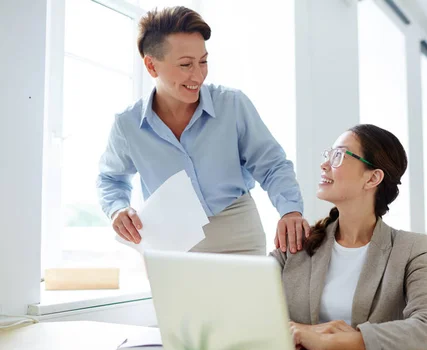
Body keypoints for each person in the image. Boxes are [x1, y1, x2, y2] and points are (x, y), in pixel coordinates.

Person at [97, 6, 309, 256]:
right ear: (151, 66)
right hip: (171, 244)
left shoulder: (232, 105)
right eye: (186, 64)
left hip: (239, 234)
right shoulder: (127, 125)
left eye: (203, 61)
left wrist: (291, 210)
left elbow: (272, 164)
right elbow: (110, 179)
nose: (198, 75)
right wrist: (117, 208)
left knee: (250, 296)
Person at [270, 124, 427, 350]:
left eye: (339, 156)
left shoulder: (411, 248)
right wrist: (309, 331)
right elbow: (243, 313)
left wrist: (330, 342)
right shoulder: (296, 243)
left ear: (373, 178)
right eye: (328, 155)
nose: (324, 165)